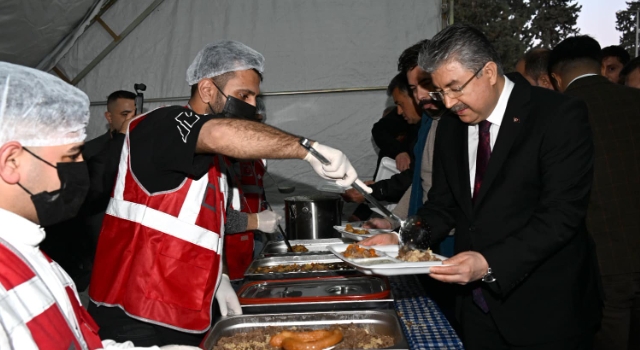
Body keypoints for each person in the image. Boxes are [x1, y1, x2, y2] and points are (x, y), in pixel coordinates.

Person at [87, 40, 367, 346]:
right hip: (134, 309)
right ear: (207, 90)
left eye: (255, 98)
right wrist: (307, 149)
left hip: (181, 301)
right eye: (242, 95)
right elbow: (218, 132)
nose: (250, 105)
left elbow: (205, 227)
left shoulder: (213, 159)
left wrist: (217, 276)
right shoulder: (162, 123)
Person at [363, 24, 602, 349]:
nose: (448, 102)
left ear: (488, 72)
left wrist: (490, 263)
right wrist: (401, 236)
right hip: (476, 309)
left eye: (455, 88)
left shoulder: (557, 115)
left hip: (545, 306)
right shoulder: (450, 126)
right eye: (440, 92)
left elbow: (561, 215)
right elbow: (443, 205)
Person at [0, 62, 199, 350]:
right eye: (70, 157)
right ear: (11, 162)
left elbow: (80, 342)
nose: (80, 169)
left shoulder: (34, 255)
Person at [549, 35, 640, 350]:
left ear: (556, 78)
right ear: (601, 67)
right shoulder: (634, 101)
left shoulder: (554, 116)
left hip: (599, 263)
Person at [41, 90, 136, 291]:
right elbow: (91, 194)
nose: (132, 120)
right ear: (109, 117)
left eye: (135, 115)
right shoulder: (90, 151)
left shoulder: (144, 151)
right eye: (125, 115)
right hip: (92, 246)